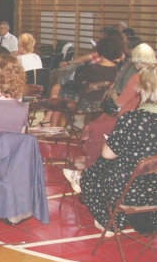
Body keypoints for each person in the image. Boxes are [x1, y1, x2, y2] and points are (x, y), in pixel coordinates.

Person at [64, 63, 157, 235]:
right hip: (152, 190)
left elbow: (108, 154)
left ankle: (109, 221)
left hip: (130, 191)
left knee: (93, 174)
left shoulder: (133, 119)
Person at [41, 36, 124, 127]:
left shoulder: (94, 68)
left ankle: (51, 125)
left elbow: (78, 81)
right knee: (58, 91)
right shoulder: (114, 68)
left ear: (101, 50)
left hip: (82, 102)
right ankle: (48, 122)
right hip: (96, 103)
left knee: (57, 93)